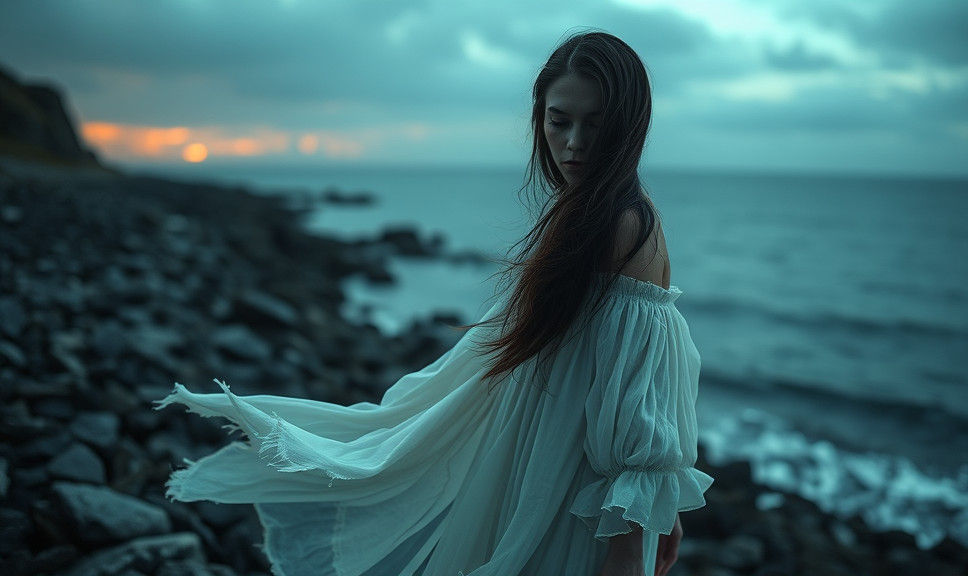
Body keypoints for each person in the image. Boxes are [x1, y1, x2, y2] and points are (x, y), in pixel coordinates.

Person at [153, 29, 713, 576]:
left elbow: (641, 401)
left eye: (596, 124)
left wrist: (639, 530)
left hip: (570, 492)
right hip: (544, 469)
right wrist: (659, 509)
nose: (573, 144)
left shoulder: (619, 223)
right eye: (558, 120)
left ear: (629, 125)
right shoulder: (599, 214)